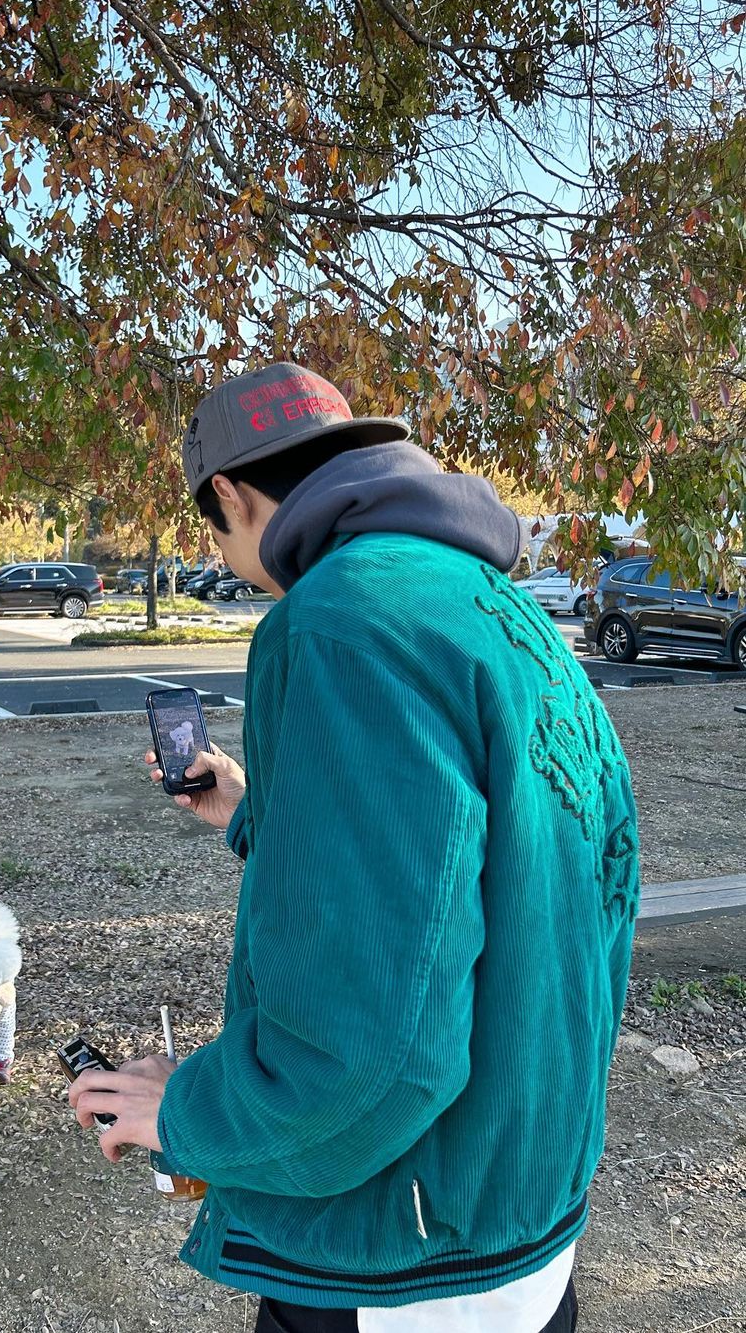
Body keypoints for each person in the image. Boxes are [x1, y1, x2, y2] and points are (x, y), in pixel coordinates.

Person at [69, 362, 639, 1332]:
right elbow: (482, 870)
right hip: (520, 1207)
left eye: (212, 528)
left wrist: (188, 1113)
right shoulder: (502, 614)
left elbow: (370, 1046)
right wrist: (260, 814)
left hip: (401, 1255)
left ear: (231, 495)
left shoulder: (335, 623)